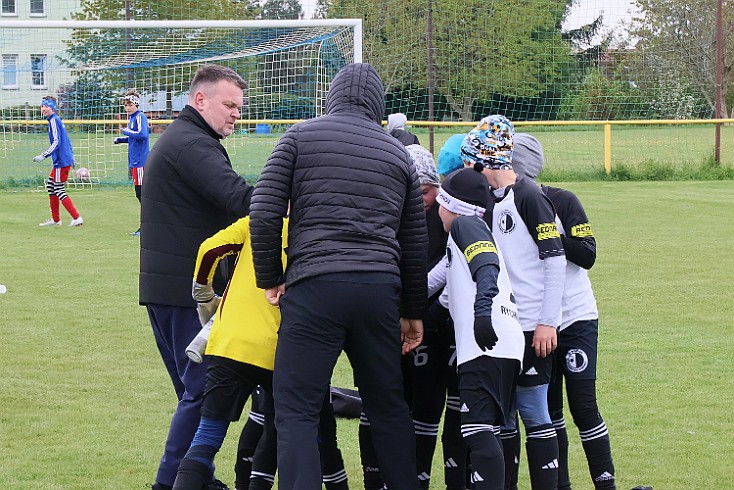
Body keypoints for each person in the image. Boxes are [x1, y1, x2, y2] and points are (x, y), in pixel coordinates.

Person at [249, 62, 428, 490]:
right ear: (378, 104)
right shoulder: (396, 154)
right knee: (388, 407)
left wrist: (272, 277)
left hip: (315, 285)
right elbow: (414, 240)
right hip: (376, 290)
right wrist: (413, 311)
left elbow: (263, 210)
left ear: (331, 95)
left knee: (296, 411)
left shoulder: (298, 136)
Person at [139, 64, 254, 490]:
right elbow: (239, 197)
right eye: (229, 105)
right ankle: (171, 483)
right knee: (204, 390)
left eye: (239, 108)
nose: (235, 114)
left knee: (197, 391)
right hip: (187, 289)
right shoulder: (192, 143)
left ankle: (197, 476)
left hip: (169, 286)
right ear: (200, 100)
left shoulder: (183, 139)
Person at [172, 216, 349, 490]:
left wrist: (204, 295)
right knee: (303, 435)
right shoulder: (319, 228)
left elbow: (209, 249)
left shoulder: (254, 222)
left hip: (231, 344)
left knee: (207, 435)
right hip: (286, 351)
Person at [461, 115, 565, 490]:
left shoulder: (530, 196)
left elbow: (554, 261)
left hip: (533, 326)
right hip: (506, 327)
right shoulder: (491, 201)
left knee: (534, 412)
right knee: (503, 417)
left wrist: (547, 321)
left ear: (484, 160)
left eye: (470, 161)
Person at [512, 133, 617, 489]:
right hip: (535, 321)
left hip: (574, 317)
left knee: (583, 405)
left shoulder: (562, 200)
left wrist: (549, 234)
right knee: (550, 410)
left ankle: (606, 484)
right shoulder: (504, 208)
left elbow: (588, 253)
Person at [427, 167, 525, 490]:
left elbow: (486, 266)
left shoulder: (466, 226)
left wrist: (482, 311)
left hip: (487, 342)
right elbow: (443, 304)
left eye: (441, 202)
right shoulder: (460, 243)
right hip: (506, 344)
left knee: (477, 432)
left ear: (453, 207)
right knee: (493, 430)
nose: (437, 210)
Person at [35, 95, 83, 227]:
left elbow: (57, 142)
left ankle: (76, 217)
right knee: (51, 186)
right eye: (42, 106)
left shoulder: (54, 121)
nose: (43, 109)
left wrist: (44, 155)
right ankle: (56, 220)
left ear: (52, 107)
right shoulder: (54, 120)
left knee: (58, 188)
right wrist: (72, 156)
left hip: (60, 162)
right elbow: (67, 140)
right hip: (63, 160)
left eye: (46, 106)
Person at [113, 89, 150, 236]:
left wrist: (125, 131)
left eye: (129, 104)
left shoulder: (140, 117)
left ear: (136, 104)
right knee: (140, 195)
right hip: (135, 162)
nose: (127, 107)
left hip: (141, 162)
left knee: (142, 195)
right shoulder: (132, 118)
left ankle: (147, 227)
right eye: (125, 105)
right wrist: (121, 140)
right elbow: (135, 137)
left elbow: (143, 134)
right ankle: (148, 226)